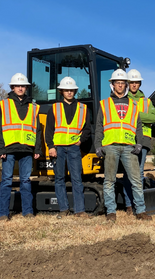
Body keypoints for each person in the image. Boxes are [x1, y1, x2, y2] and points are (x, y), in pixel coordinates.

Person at [94, 69, 152, 222]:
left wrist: (139, 143)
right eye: (117, 83)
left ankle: (140, 211)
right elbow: (99, 126)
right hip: (110, 146)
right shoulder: (104, 103)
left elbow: (138, 126)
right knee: (109, 180)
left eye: (122, 83)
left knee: (136, 180)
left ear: (126, 85)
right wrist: (97, 145)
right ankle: (111, 212)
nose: (120, 85)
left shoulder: (133, 104)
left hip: (129, 147)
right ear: (112, 85)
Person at [0, 73, 43, 221]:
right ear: (13, 87)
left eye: (23, 86)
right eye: (18, 86)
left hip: (27, 149)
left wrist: (38, 149)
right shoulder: (3, 104)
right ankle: (3, 213)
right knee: (6, 181)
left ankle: (27, 211)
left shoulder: (34, 107)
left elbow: (38, 130)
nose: (20, 88)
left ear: (26, 88)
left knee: (25, 181)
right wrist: (0, 149)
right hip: (9, 149)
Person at [45, 77, 91, 219]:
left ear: (75, 91)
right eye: (67, 90)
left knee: (77, 178)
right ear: (62, 91)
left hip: (73, 148)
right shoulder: (54, 108)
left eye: (71, 90)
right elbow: (49, 130)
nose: (69, 92)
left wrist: (80, 141)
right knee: (59, 178)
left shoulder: (83, 108)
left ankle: (79, 210)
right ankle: (63, 209)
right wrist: (51, 147)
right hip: (58, 148)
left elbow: (87, 129)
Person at [122, 69, 155, 214]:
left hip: (143, 139)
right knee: (127, 173)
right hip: (128, 138)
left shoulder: (147, 101)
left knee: (139, 173)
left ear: (139, 83)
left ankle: (138, 204)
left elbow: (153, 118)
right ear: (127, 84)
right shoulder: (123, 100)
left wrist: (135, 115)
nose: (134, 85)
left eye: (136, 82)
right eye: (131, 82)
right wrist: (143, 116)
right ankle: (128, 204)